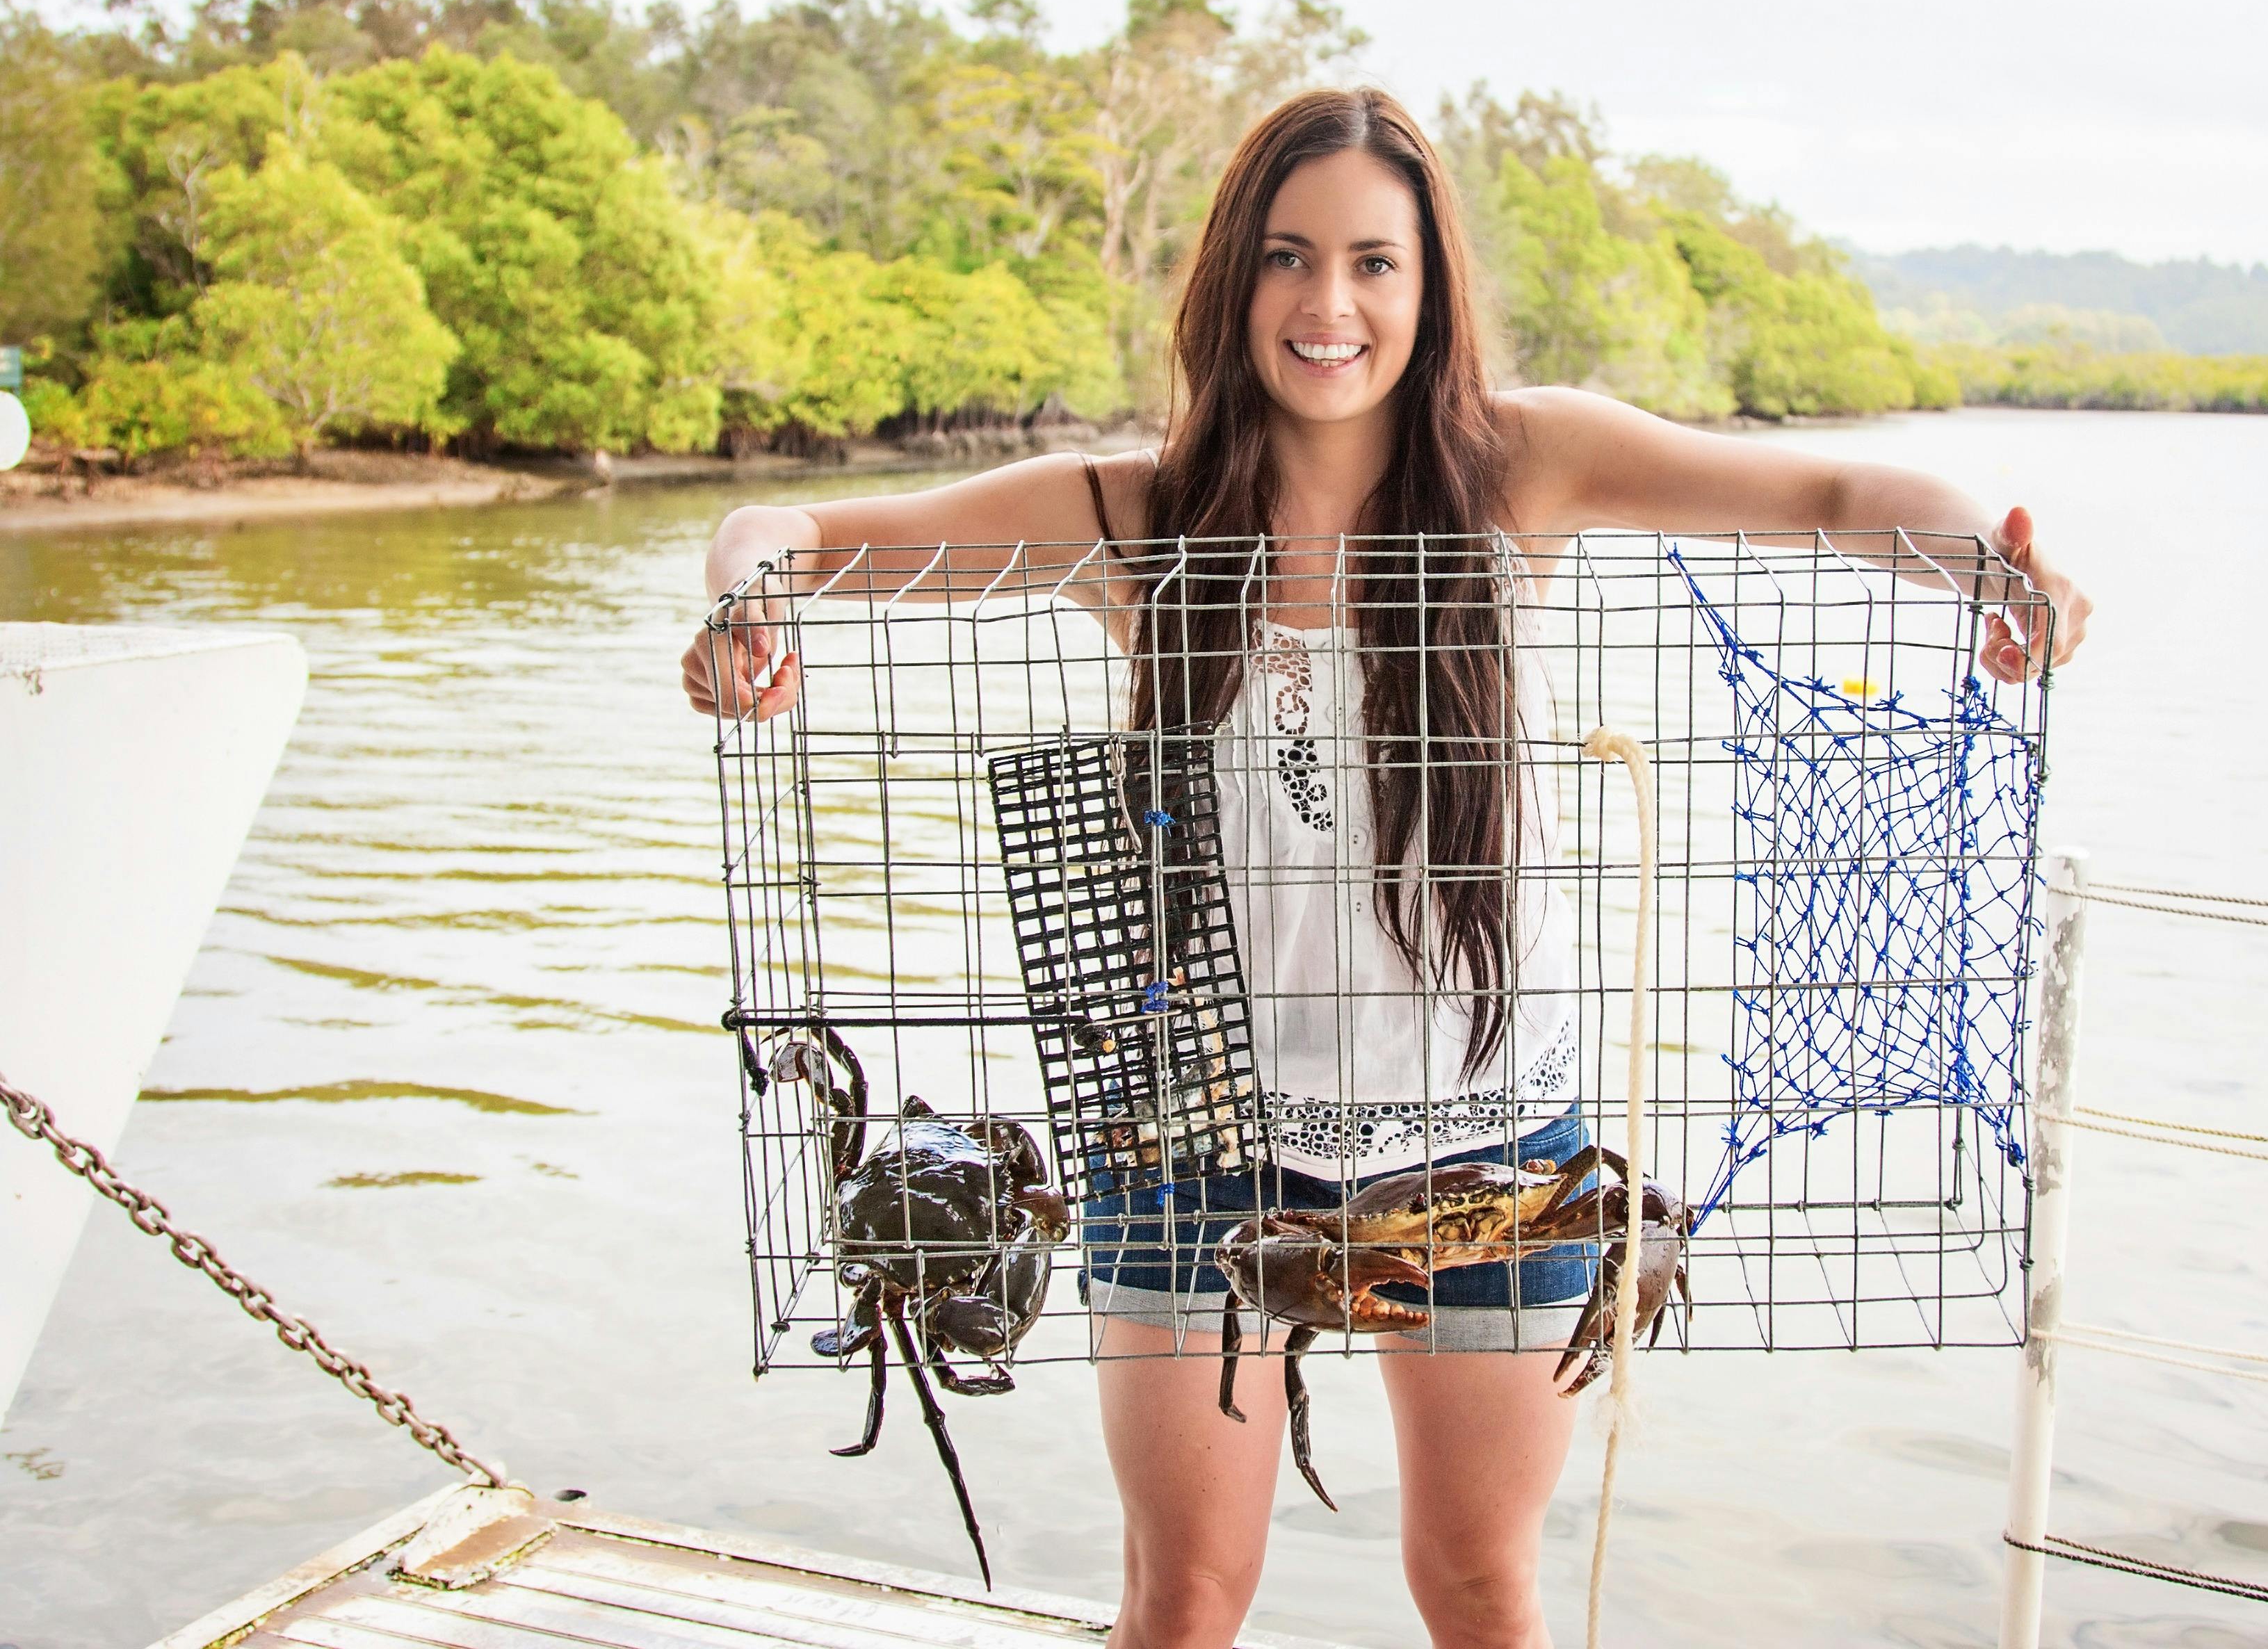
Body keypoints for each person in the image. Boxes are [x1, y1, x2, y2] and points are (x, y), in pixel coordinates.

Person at [681, 86, 2089, 1649]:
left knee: (1479, 1589)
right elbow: (794, 528)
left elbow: (1831, 500)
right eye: (1288, 260)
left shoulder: (1526, 468)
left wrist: (1987, 560)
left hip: (1493, 1147)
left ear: (1429, 289)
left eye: (1374, 262)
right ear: (1233, 284)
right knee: (1185, 1596)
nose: (1329, 305)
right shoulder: (1129, 518)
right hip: (1197, 1137)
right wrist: (751, 599)